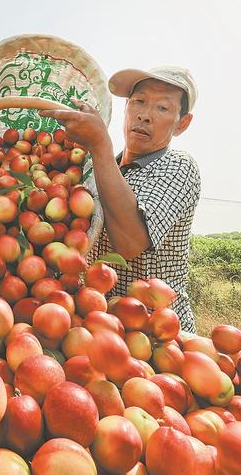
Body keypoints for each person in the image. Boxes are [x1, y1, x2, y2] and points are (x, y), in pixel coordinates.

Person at [40, 66, 201, 333]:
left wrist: (99, 144)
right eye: (139, 101)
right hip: (100, 323)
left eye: (162, 108)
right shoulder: (100, 170)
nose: (144, 115)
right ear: (127, 107)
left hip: (157, 332)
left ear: (181, 123)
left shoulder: (178, 167)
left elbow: (129, 242)